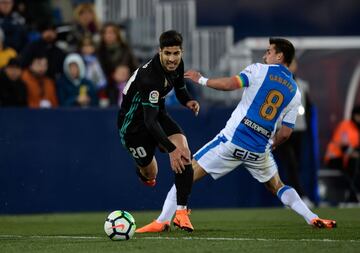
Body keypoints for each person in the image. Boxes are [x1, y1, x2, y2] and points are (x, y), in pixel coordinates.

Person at [136, 37, 336, 233]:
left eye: (269, 51)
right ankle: (312, 217)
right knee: (278, 186)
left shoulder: (259, 70)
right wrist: (271, 144)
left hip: (231, 141)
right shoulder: (295, 91)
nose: (266, 54)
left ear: (279, 56)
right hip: (259, 150)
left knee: (185, 172)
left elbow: (230, 84)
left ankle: (163, 221)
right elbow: (285, 133)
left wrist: (202, 79)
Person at [117, 30, 200, 232]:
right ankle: (142, 171)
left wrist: (188, 100)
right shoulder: (149, 78)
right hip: (133, 127)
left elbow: (180, 89)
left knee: (184, 154)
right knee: (151, 173)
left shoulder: (177, 65)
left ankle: (181, 213)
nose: (172, 59)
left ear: (181, 52)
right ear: (159, 52)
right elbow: (149, 122)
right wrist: (170, 150)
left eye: (176, 53)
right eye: (168, 54)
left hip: (157, 114)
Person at [273, 58, 314, 207]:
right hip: (282, 131)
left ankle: (292, 198)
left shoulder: (302, 85)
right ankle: (300, 196)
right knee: (290, 164)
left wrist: (308, 129)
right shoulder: (276, 84)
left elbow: (309, 109)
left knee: (296, 164)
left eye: (291, 65)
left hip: (298, 131)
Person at [324, 105, 360, 202]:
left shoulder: (357, 129)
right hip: (334, 157)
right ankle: (353, 197)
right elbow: (343, 145)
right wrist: (353, 153)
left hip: (346, 158)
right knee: (353, 166)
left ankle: (352, 196)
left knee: (354, 165)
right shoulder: (346, 125)